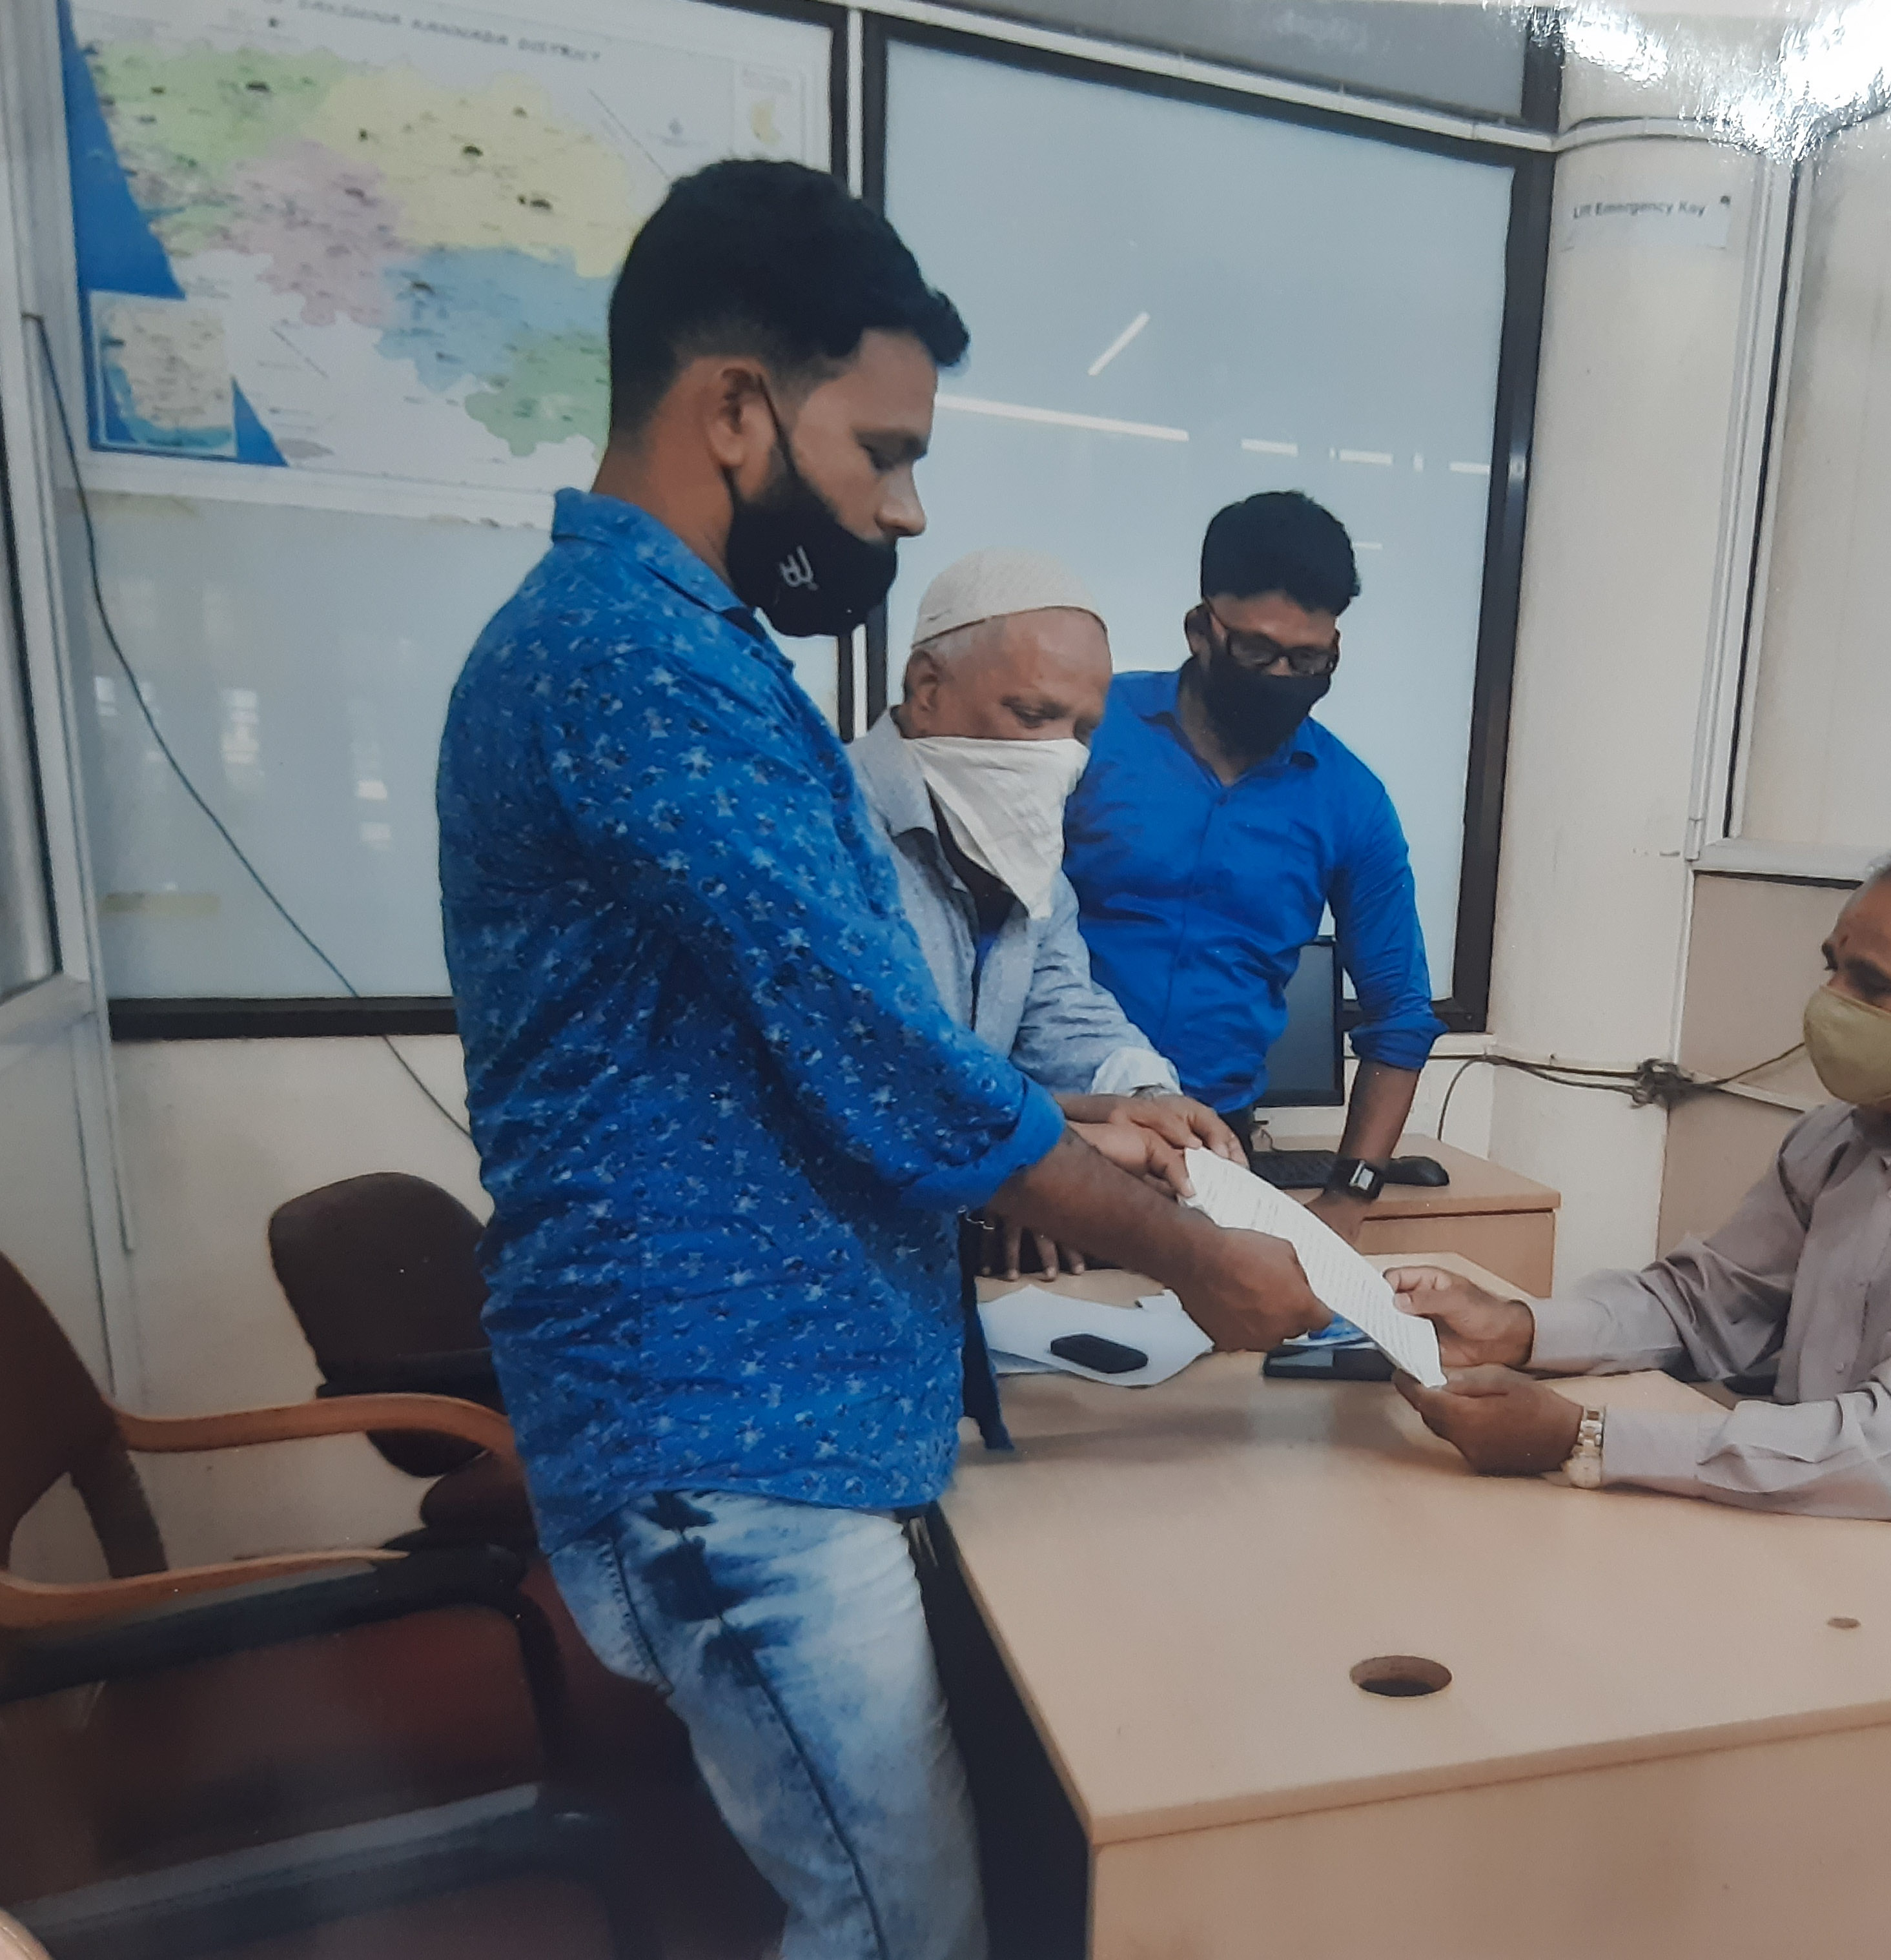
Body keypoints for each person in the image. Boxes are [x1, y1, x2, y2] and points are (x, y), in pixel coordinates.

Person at [434, 161, 1320, 1960]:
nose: (904, 509)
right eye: (885, 453)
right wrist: (1196, 1258)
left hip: (795, 1419)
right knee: (898, 1924)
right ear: (735, 409)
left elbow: (872, 1043)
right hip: (732, 1433)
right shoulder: (634, 667)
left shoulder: (696, 654)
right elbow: (893, 1067)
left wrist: (1092, 1115)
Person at [1392, 849, 1891, 1555]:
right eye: (1833, 968)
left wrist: (1585, 1439)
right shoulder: (1849, 1133)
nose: (1830, 1004)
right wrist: (1517, 1327)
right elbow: (1704, 1304)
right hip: (1835, 1517)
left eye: (1872, 986)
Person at [850, 547, 1242, 1278]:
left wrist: (1145, 1100)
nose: (1061, 758)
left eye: (1083, 731)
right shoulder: (827, 834)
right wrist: (1063, 1150)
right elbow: (881, 1078)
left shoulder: (1031, 867)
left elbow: (1062, 1014)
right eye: (1033, 715)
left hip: (932, 1270)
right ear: (927, 689)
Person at [1062, 490, 1442, 1240]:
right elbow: (989, 937)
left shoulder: (1350, 800)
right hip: (1057, 1131)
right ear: (1200, 630)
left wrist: (1348, 1199)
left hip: (1214, 1155)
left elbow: (1399, 1015)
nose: (1282, 675)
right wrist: (1018, 1160)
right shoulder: (1088, 732)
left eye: (1309, 660)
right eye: (1258, 653)